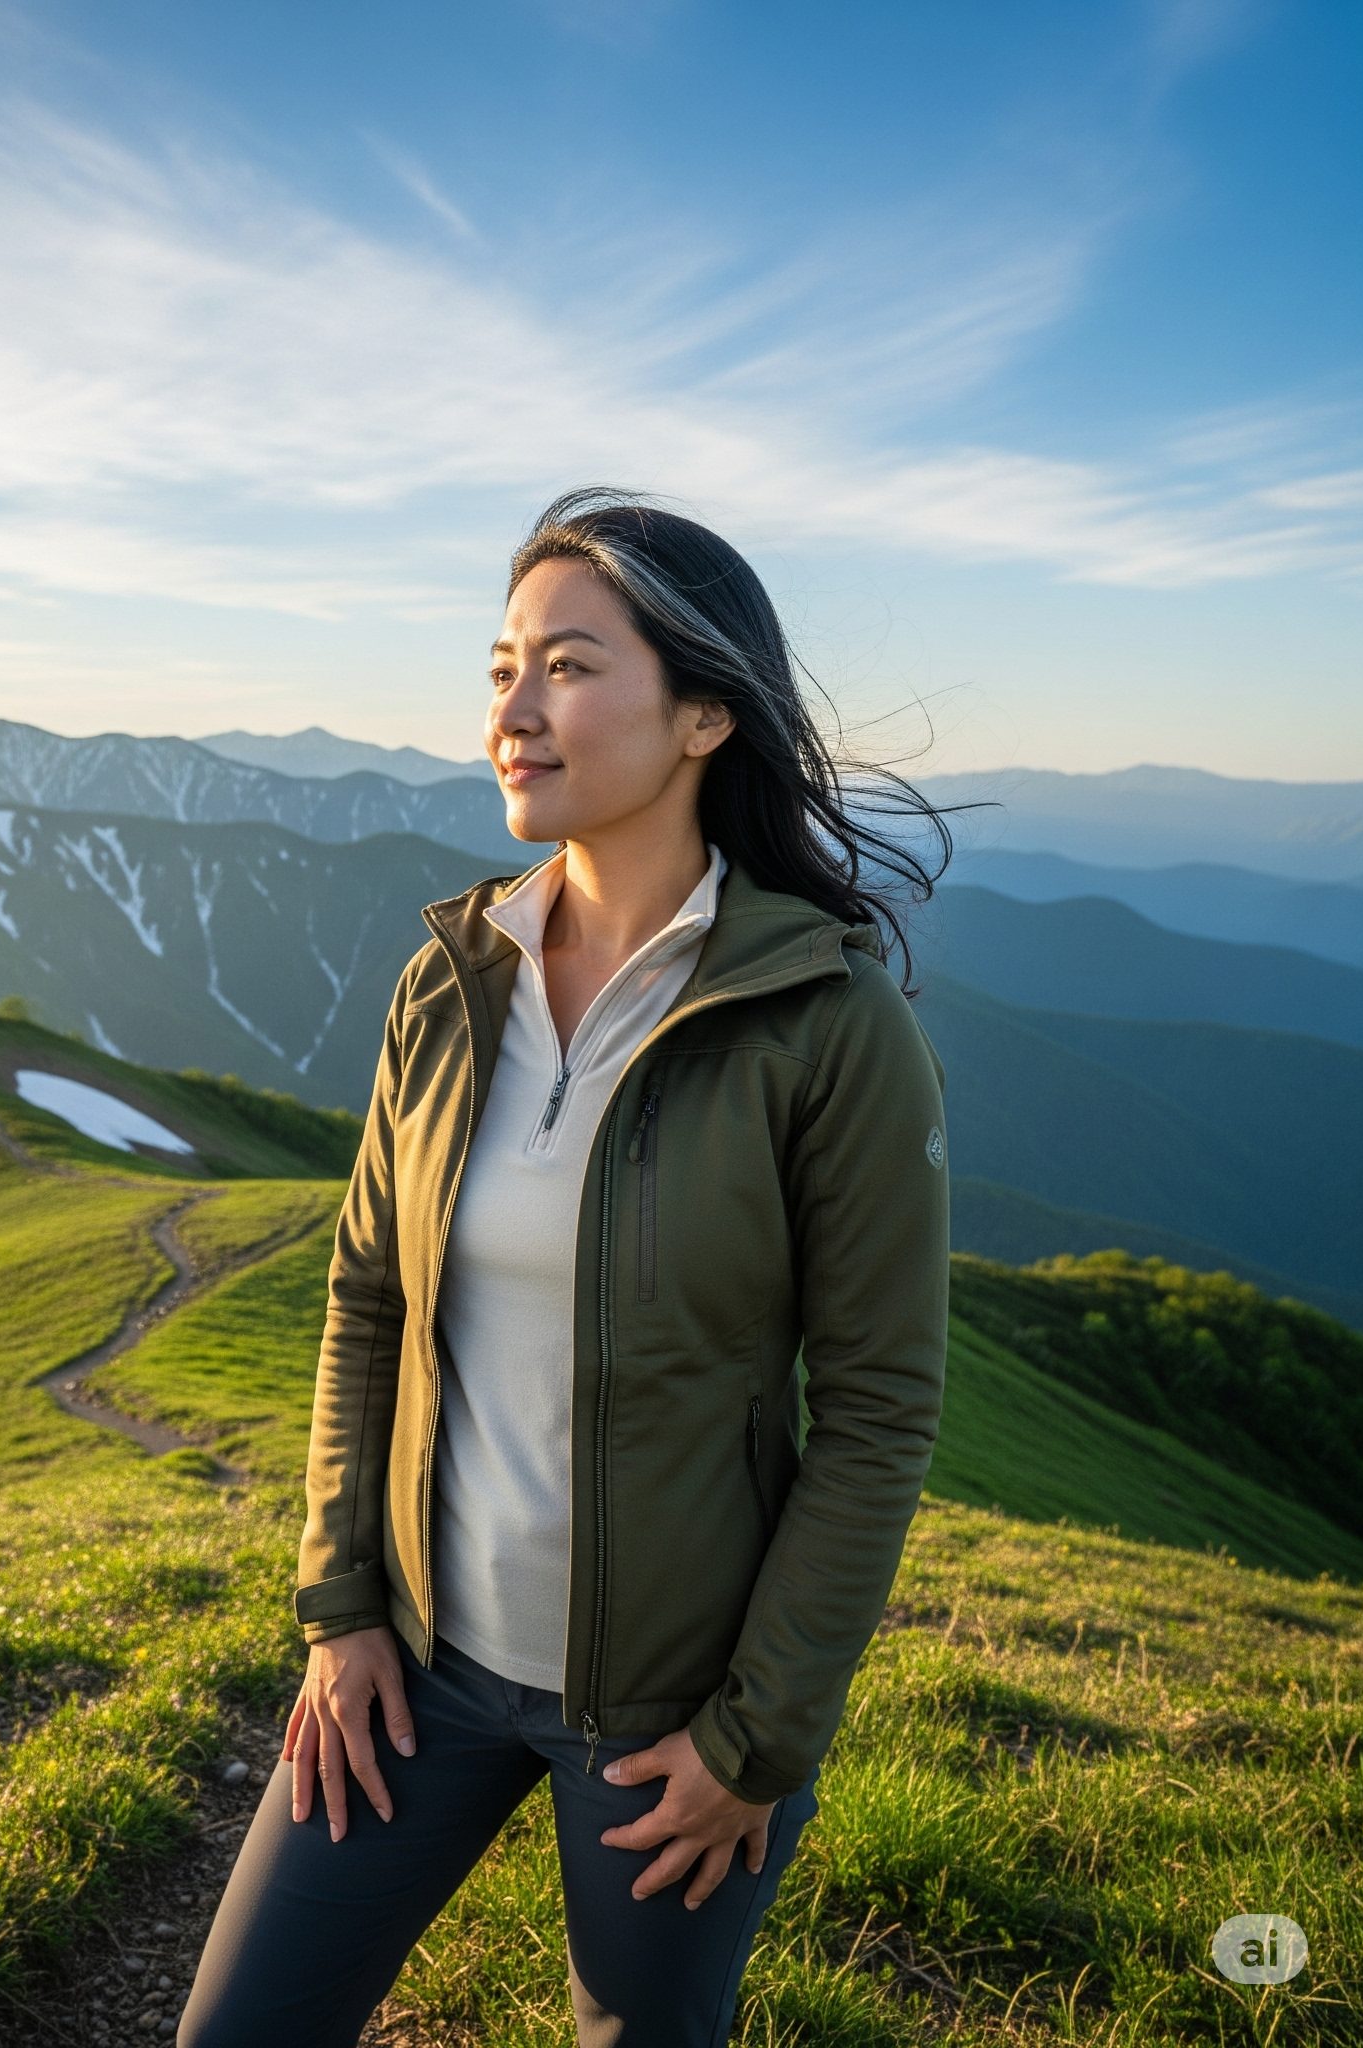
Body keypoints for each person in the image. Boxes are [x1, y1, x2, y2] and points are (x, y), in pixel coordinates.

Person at [179, 485, 959, 2047]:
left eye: (570, 667)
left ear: (702, 720)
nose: (513, 713)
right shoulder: (450, 978)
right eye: (499, 668)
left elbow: (877, 1413)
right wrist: (339, 1611)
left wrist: (758, 1739)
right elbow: (366, 1301)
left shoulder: (826, 1027)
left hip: (672, 1719)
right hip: (417, 1669)